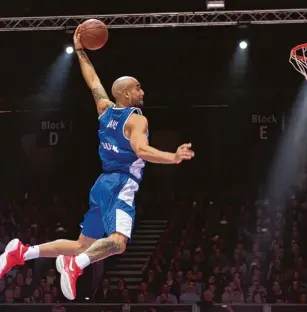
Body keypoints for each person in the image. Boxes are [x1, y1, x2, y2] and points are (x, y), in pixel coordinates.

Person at [0, 25, 194, 300]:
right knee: (118, 243)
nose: (142, 91)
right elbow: (141, 149)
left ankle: (22, 252)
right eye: (137, 87)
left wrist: (80, 51)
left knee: (82, 244)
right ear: (126, 94)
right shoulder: (137, 118)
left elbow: (92, 80)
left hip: (102, 184)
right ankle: (75, 264)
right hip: (121, 182)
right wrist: (172, 157)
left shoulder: (105, 109)